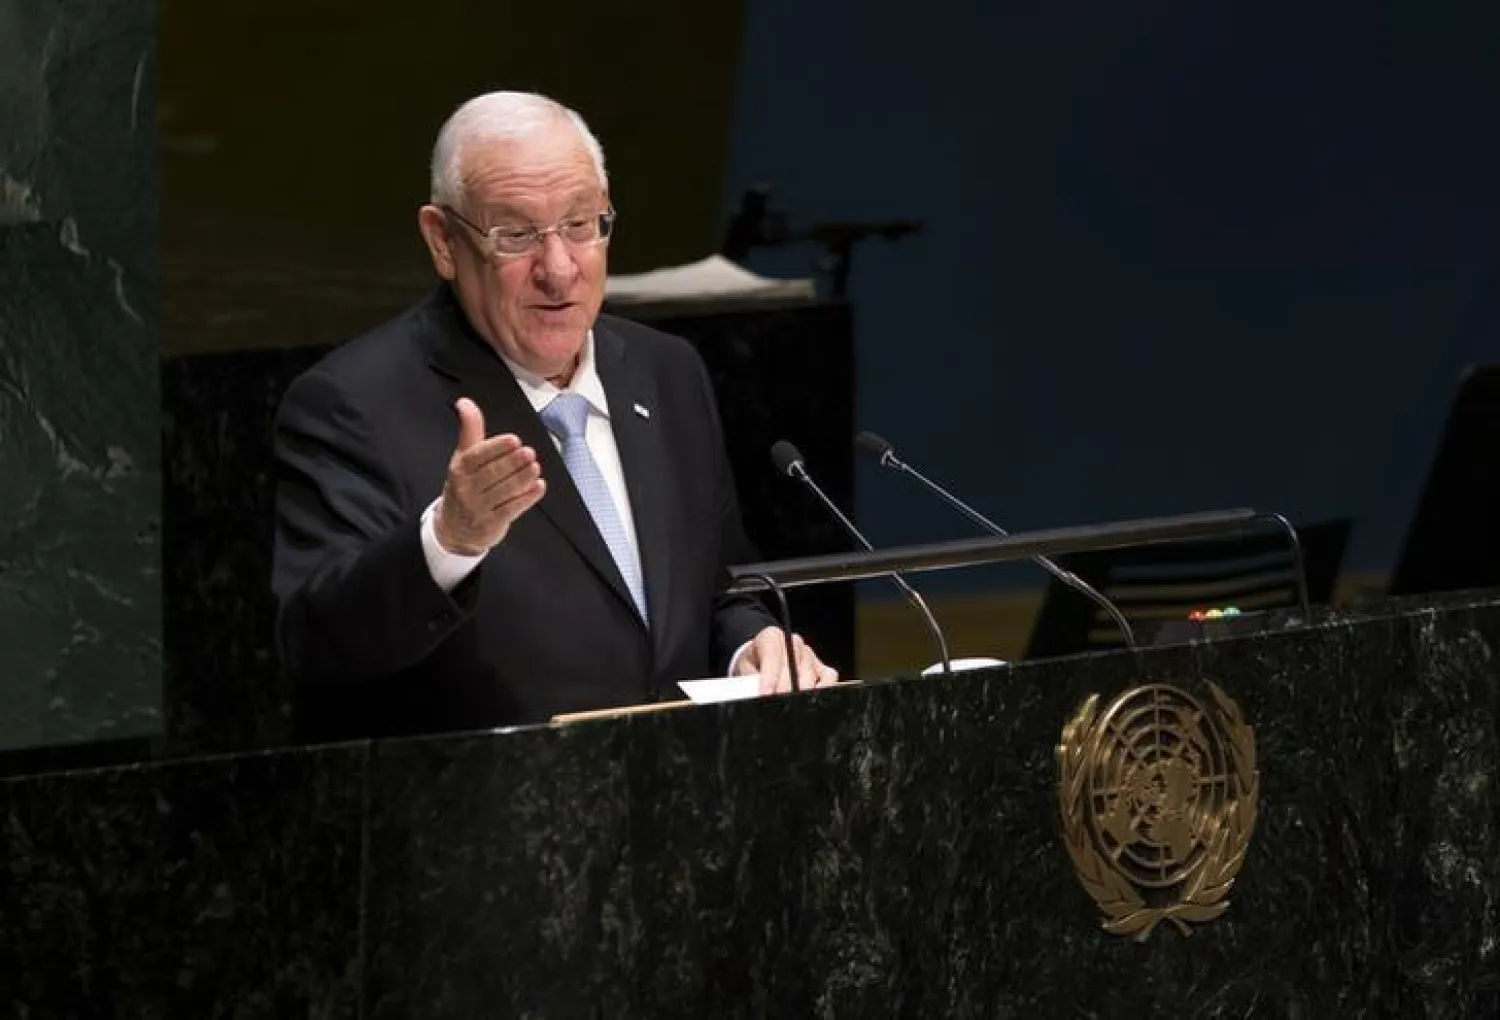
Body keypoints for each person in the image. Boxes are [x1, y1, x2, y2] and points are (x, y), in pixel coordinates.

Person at [271, 90, 838, 739]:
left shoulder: (666, 371)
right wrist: (448, 541)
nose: (559, 268)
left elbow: (713, 585)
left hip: (682, 810)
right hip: (489, 822)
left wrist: (754, 639)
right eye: (516, 234)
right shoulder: (354, 404)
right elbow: (319, 646)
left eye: (580, 224)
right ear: (443, 242)